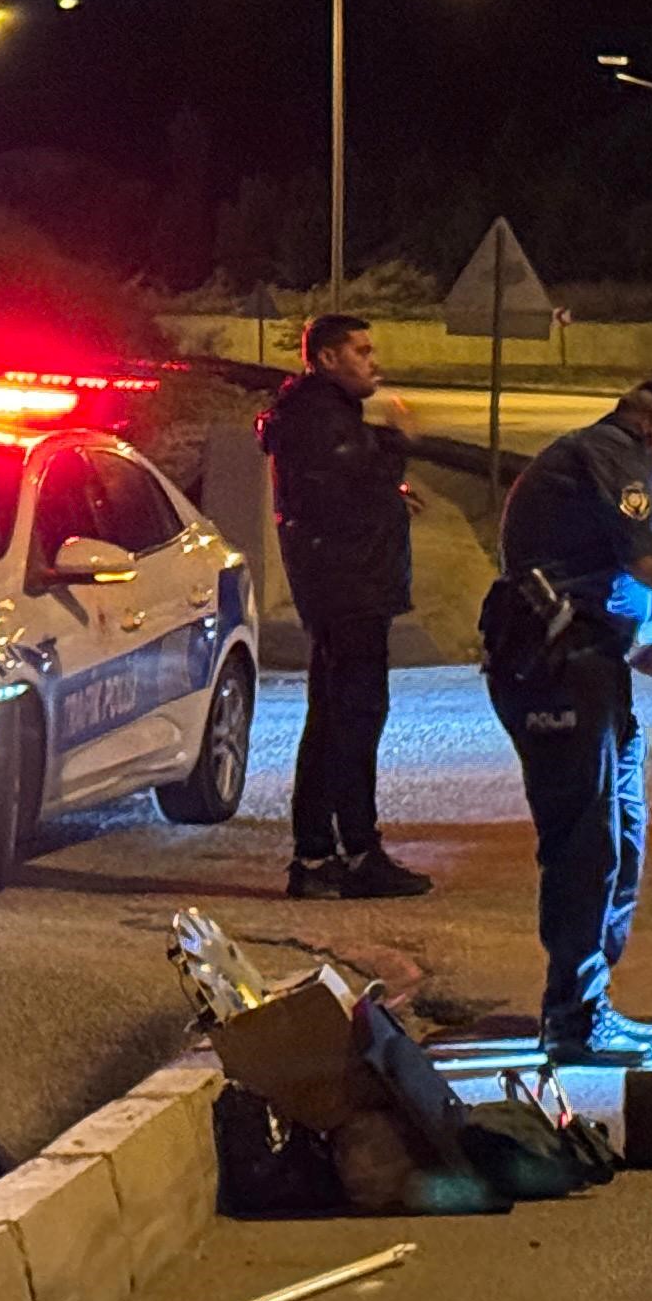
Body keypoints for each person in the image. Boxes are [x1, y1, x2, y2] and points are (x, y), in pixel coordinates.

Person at [479, 370, 652, 1066]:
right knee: (584, 843)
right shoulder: (615, 456)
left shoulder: (606, 464)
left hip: (591, 667)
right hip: (556, 667)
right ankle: (572, 1016)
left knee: (618, 837)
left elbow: (621, 609)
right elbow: (649, 559)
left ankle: (587, 1001)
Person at [256, 313, 428, 898]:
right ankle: (351, 854)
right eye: (361, 350)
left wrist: (388, 481)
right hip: (347, 590)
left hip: (349, 588)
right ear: (327, 359)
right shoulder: (318, 420)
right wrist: (396, 451)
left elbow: (348, 480)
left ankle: (323, 855)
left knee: (338, 718)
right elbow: (343, 487)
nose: (373, 360)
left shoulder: (323, 417)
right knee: (351, 720)